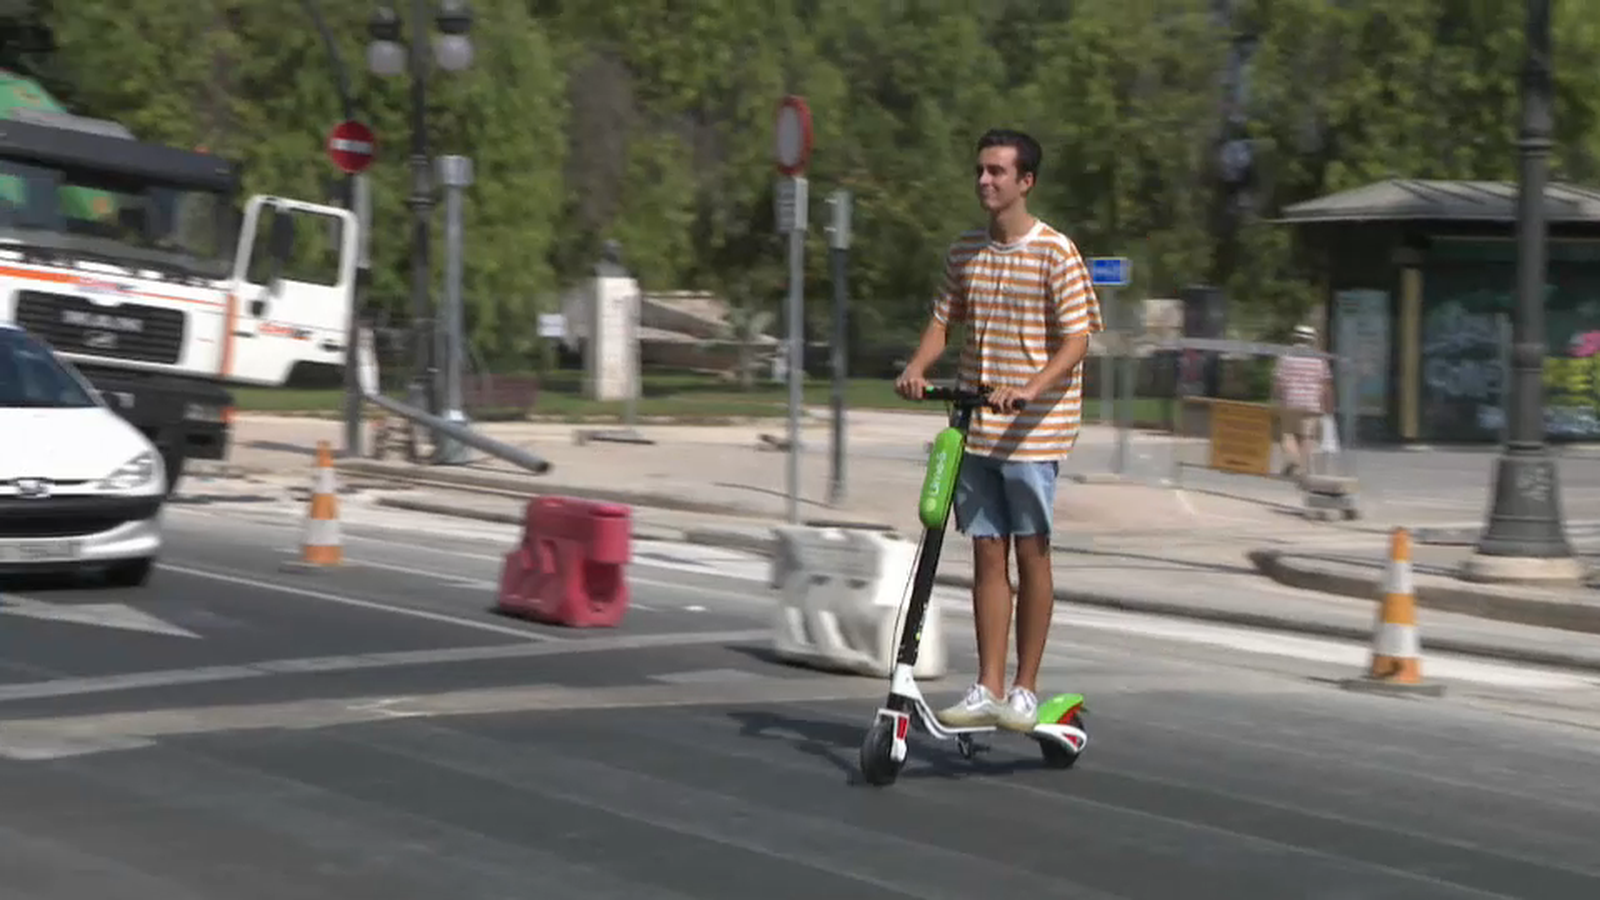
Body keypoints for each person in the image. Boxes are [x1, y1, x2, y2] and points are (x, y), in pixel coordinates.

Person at [894, 128, 1103, 732]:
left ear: (1025, 182)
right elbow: (943, 321)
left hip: (1035, 430)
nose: (984, 181)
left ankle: (1025, 689)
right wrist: (917, 366)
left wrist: (1033, 387)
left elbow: (1078, 338)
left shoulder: (1055, 251)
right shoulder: (965, 251)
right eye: (980, 171)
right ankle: (987, 685)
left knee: (1031, 552)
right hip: (976, 424)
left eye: (997, 172)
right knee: (987, 553)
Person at [1271, 324, 1333, 479]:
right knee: (1307, 437)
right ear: (1312, 341)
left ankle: (1293, 460)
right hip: (1312, 404)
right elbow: (1325, 384)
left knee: (1287, 434)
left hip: (1290, 402)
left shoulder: (1286, 357)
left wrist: (1275, 397)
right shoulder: (1320, 359)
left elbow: (1279, 382)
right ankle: (1302, 469)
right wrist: (1328, 405)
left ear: (1295, 338)